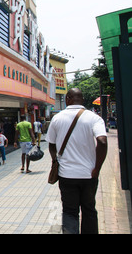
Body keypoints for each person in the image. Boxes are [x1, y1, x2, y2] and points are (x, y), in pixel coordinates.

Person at [46, 88, 108, 234]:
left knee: (69, 211)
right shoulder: (94, 118)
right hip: (89, 174)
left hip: (67, 175)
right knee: (89, 210)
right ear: (83, 99)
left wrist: (55, 160)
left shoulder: (57, 118)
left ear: (67, 99)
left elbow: (51, 144)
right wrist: (97, 168)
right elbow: (103, 142)